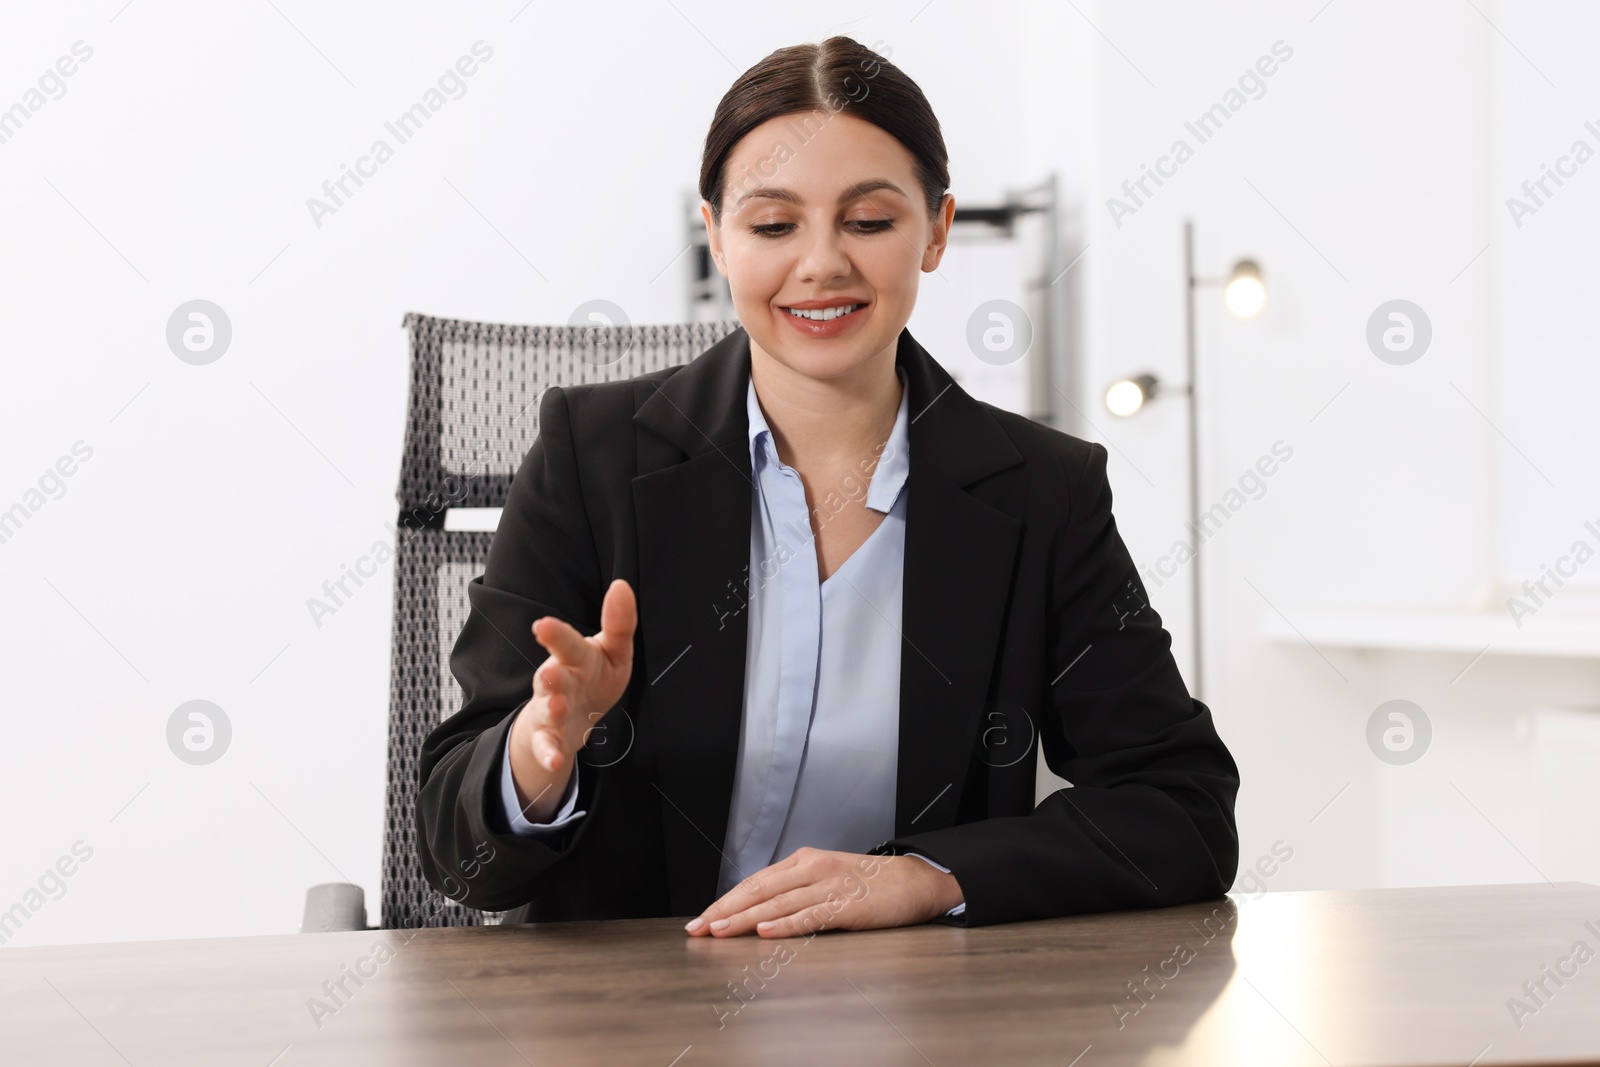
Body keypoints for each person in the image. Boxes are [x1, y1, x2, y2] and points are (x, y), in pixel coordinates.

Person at [416, 35, 1239, 938]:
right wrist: (540, 755)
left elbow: (1181, 809)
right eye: (773, 225)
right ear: (717, 239)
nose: (821, 264)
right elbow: (464, 862)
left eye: (869, 221)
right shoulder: (592, 454)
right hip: (639, 1014)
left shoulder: (1045, 492)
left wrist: (931, 876)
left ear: (936, 230)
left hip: (915, 1009)